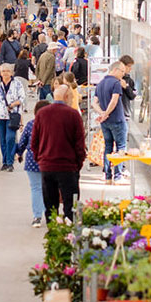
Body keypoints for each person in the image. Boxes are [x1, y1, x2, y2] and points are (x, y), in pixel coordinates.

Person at [31, 85, 86, 221]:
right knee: (70, 203)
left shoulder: (42, 114)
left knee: (50, 203)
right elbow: (79, 143)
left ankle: (53, 230)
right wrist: (78, 163)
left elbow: (34, 142)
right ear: (66, 97)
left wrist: (40, 159)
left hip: (47, 166)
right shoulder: (73, 115)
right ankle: (69, 231)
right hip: (67, 166)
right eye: (72, 97)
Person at [94, 61, 129, 185]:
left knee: (108, 147)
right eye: (122, 72)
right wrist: (107, 113)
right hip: (117, 120)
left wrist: (102, 114)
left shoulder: (100, 83)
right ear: (115, 70)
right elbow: (114, 102)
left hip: (105, 122)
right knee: (120, 147)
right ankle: (118, 175)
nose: (123, 75)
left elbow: (94, 103)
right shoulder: (115, 83)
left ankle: (107, 175)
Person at [16, 100, 50, 227]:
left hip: (32, 161)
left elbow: (22, 142)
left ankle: (37, 217)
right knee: (48, 188)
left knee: (36, 188)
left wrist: (19, 153)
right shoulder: (53, 126)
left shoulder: (30, 125)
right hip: (49, 161)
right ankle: (50, 215)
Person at [0, 63, 27, 172]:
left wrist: (13, 104)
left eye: (7, 71)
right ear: (0, 72)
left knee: (10, 138)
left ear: (11, 72)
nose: (5, 73)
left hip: (12, 115)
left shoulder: (17, 84)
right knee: (2, 139)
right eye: (3, 71)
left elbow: (22, 98)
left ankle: (10, 162)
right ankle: (5, 161)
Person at [119, 54, 138, 120]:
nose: (130, 69)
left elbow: (133, 96)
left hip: (125, 113)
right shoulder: (115, 78)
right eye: (129, 66)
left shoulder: (129, 80)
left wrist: (126, 87)